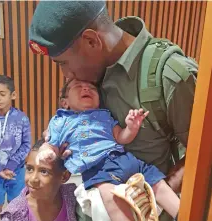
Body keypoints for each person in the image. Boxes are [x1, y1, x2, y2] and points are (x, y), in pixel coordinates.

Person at [29, 1, 197, 220]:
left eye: (63, 63)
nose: (66, 75)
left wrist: (153, 195)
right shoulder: (90, 74)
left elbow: (204, 152)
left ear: (91, 40)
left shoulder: (169, 74)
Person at [36, 79, 180, 221]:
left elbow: (121, 137)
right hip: (98, 168)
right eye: (78, 86)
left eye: (91, 88)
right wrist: (46, 152)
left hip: (125, 158)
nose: (86, 88)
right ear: (64, 102)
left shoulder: (104, 115)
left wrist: (131, 128)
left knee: (158, 182)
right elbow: (50, 143)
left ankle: (184, 214)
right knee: (111, 197)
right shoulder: (60, 121)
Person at [0, 139, 92, 221]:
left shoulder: (75, 199)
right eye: (29, 169)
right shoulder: (12, 215)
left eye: (44, 171)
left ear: (64, 176)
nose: (33, 179)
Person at [0, 74, 31, 218]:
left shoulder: (21, 118)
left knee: (16, 202)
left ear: (13, 95)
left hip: (16, 170)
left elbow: (26, 144)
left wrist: (11, 165)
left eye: (2, 94)